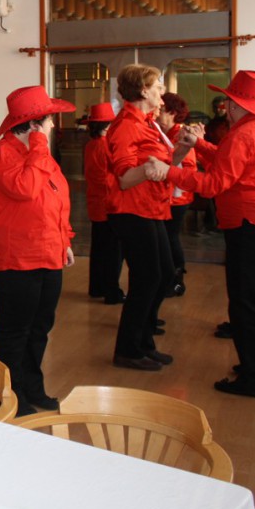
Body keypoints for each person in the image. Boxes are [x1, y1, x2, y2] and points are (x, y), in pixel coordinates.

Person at [146, 71, 255, 398]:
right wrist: (199, 145)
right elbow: (230, 163)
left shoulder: (244, 134)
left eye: (229, 101)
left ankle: (253, 378)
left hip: (254, 226)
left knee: (246, 303)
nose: (225, 106)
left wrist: (169, 171)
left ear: (237, 105)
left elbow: (214, 184)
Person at [0, 86, 76, 416]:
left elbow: (57, 198)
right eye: (48, 120)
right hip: (15, 258)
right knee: (15, 330)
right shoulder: (3, 153)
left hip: (48, 252)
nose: (53, 126)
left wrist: (64, 240)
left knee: (39, 327)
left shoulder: (38, 153)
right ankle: (8, 394)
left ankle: (32, 386)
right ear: (34, 124)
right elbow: (25, 188)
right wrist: (38, 145)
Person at [106, 65, 174, 371]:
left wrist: (181, 151)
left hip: (150, 207)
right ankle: (129, 349)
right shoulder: (126, 126)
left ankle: (144, 343)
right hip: (131, 210)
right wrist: (148, 169)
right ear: (143, 90)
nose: (162, 93)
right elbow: (124, 178)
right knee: (148, 279)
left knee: (162, 276)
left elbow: (162, 165)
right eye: (158, 86)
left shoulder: (147, 123)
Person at [82, 102, 125, 304]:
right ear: (107, 126)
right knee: (113, 252)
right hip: (110, 204)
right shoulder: (105, 146)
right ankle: (111, 291)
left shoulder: (91, 145)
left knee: (99, 249)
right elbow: (111, 177)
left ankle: (97, 287)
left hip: (95, 203)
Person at [155, 92, 196, 298]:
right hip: (167, 196)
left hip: (177, 198)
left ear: (172, 113)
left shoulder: (181, 134)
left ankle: (176, 280)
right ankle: (169, 279)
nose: (157, 114)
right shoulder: (164, 133)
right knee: (167, 239)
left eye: (162, 110)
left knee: (170, 238)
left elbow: (188, 167)